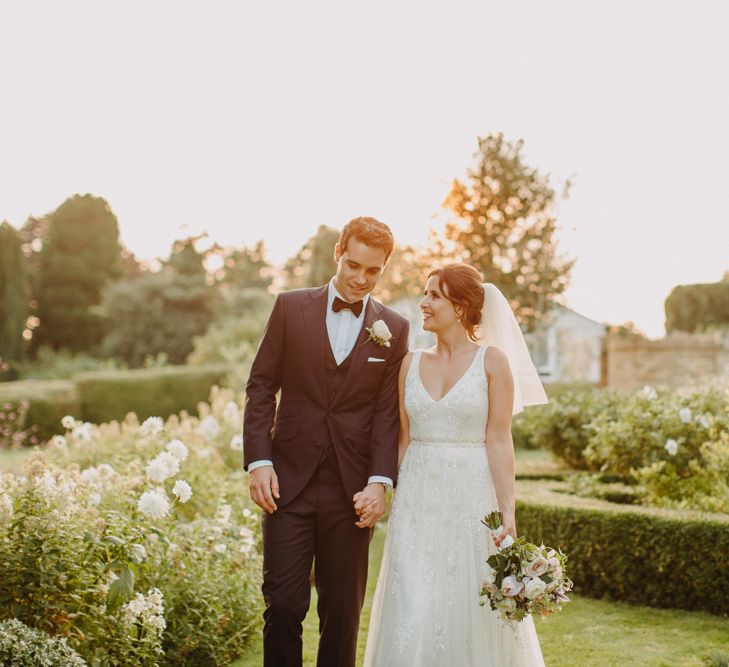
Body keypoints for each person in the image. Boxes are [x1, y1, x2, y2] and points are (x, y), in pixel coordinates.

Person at [361, 263, 548, 666]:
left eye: (434, 296)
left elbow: (499, 438)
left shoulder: (492, 362)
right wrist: (383, 491)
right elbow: (403, 438)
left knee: (466, 597)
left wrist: (508, 512)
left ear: (461, 307)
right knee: (413, 600)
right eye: (425, 294)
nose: (423, 303)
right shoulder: (409, 363)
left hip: (471, 499)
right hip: (417, 502)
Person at [243, 216, 410, 667]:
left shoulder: (394, 327)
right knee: (282, 605)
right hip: (287, 486)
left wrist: (380, 482)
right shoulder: (289, 307)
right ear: (338, 253)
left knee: (341, 614)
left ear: (383, 269)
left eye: (372, 271)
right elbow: (261, 386)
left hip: (351, 491)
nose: (360, 279)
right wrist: (258, 461)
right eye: (353, 265)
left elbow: (385, 414)